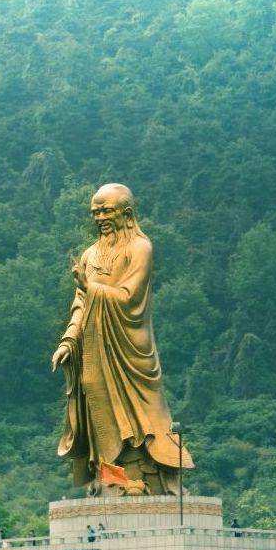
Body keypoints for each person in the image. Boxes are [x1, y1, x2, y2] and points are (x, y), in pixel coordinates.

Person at [52, 184, 191, 496]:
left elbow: (130, 296)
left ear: (126, 213)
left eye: (106, 211)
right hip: (93, 345)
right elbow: (79, 304)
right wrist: (68, 340)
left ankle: (140, 473)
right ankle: (110, 475)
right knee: (96, 402)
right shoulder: (89, 255)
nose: (100, 217)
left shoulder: (139, 248)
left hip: (129, 347)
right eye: (95, 212)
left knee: (134, 412)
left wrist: (92, 289)